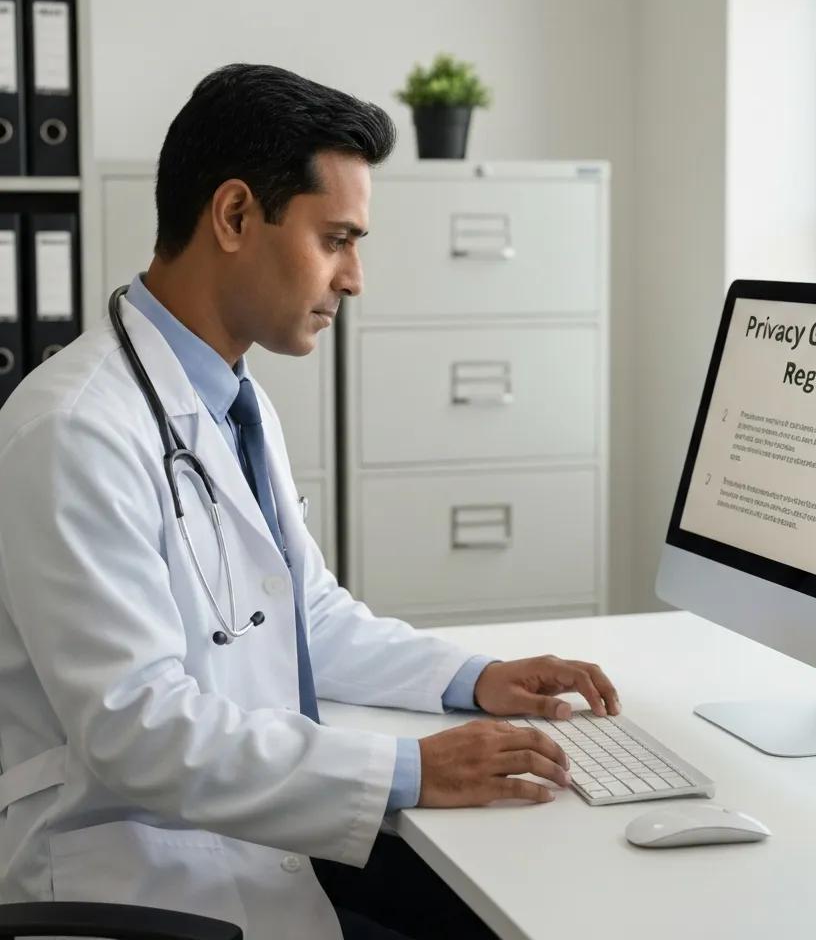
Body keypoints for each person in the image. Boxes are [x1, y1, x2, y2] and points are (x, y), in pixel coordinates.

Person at [0, 64, 620, 940]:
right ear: (235, 216)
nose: (356, 277)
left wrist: (473, 679)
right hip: (143, 889)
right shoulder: (75, 430)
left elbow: (305, 616)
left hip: (242, 849)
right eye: (337, 239)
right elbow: (136, 729)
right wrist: (410, 769)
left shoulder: (229, 398)